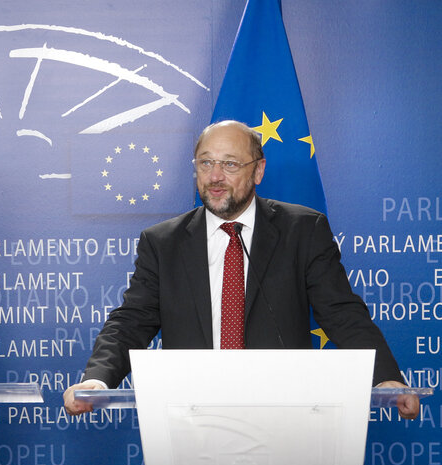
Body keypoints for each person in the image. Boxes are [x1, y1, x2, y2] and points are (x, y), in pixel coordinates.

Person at [64, 120, 419, 420]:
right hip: (191, 417)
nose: (215, 176)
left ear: (258, 170)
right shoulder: (163, 243)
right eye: (205, 163)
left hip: (282, 416)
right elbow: (132, 321)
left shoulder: (302, 230)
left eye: (230, 164)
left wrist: (385, 377)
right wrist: (98, 379)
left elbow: (342, 314)